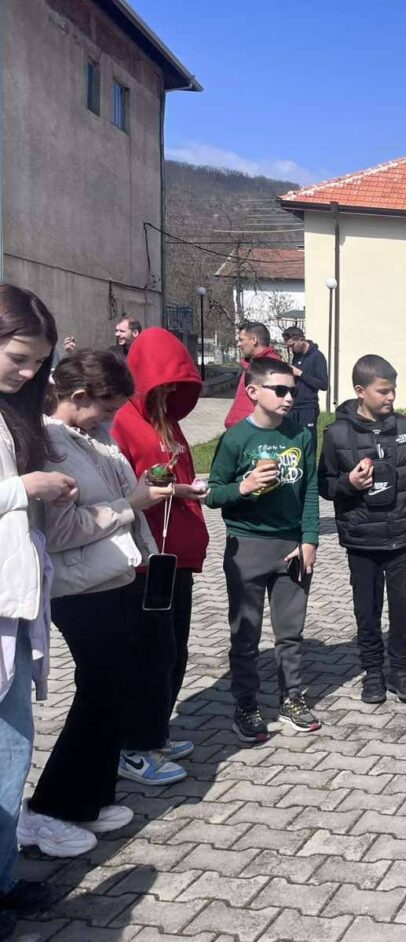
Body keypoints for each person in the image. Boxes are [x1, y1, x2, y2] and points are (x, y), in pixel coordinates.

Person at [20, 351, 170, 858]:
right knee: (98, 694)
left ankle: (91, 797)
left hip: (113, 579)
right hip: (80, 590)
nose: (110, 418)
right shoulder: (51, 446)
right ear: (79, 397)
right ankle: (48, 810)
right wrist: (130, 506)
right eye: (106, 408)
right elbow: (61, 532)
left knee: (116, 690)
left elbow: (121, 494)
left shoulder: (92, 437)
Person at [319, 354, 406, 704]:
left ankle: (401, 672)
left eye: (393, 390)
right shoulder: (336, 434)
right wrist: (348, 483)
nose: (391, 397)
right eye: (383, 391)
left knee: (402, 608)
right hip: (362, 539)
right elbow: (325, 485)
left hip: (405, 535)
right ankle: (373, 674)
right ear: (360, 391)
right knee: (367, 610)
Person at [0, 285, 74, 924]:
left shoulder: (13, 414)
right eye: (18, 358)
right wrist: (25, 487)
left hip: (16, 606)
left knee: (12, 752)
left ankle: (4, 878)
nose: (27, 374)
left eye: (37, 364)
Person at [110, 328, 209, 784]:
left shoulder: (166, 421)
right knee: (151, 653)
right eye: (163, 385)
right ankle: (133, 746)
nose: (169, 394)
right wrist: (170, 489)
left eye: (176, 387)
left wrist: (186, 488)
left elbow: (174, 472)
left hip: (176, 557)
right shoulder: (124, 422)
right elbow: (127, 488)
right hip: (147, 558)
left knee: (174, 649)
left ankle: (155, 730)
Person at [206, 357, 320, 741]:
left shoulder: (301, 436)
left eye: (293, 391)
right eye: (280, 390)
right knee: (246, 634)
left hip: (291, 548)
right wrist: (246, 486)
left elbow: (310, 491)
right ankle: (246, 705)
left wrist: (309, 539)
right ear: (253, 391)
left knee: (290, 633)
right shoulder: (236, 439)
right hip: (247, 547)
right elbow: (213, 494)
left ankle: (292, 699)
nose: (289, 398)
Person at [224, 323, 280, 429]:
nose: (239, 344)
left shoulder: (272, 367)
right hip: (240, 428)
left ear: (254, 340)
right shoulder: (251, 364)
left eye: (241, 340)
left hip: (252, 430)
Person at [282, 326, 328, 440]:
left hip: (308, 407)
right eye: (289, 346)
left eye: (293, 345)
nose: (291, 349)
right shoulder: (296, 356)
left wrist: (300, 373)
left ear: (301, 339)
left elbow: (323, 385)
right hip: (293, 406)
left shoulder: (317, 357)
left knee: (308, 440)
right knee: (292, 440)